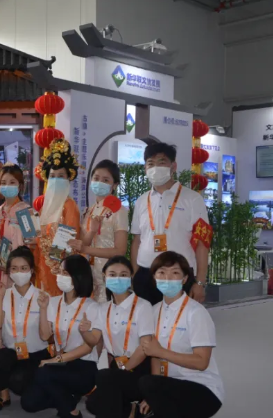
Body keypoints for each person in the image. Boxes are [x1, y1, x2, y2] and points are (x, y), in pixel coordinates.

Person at [137, 251, 223, 418]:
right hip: (169, 384)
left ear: (184, 279)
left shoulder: (196, 313)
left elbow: (201, 362)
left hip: (201, 387)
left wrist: (161, 352)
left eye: (175, 273)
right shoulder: (153, 312)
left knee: (146, 382)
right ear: (154, 277)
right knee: (145, 388)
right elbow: (155, 357)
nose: (167, 278)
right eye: (162, 272)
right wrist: (152, 395)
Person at [130, 143, 211, 305]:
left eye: (161, 162)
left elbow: (202, 243)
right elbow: (137, 240)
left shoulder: (193, 199)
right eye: (150, 163)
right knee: (146, 320)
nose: (155, 168)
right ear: (145, 168)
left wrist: (200, 282)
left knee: (178, 320)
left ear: (173, 166)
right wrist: (135, 275)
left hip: (178, 275)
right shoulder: (141, 201)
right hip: (145, 274)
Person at [21, 255, 100, 418]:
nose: (60, 277)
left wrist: (55, 360)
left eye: (66, 273)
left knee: (44, 373)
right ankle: (67, 398)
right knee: (28, 403)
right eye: (60, 272)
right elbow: (45, 336)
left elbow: (88, 347)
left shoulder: (92, 307)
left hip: (83, 366)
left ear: (78, 277)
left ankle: (72, 412)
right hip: (61, 363)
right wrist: (43, 309)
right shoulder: (53, 302)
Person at [83, 256, 154, 418]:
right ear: (104, 277)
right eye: (112, 274)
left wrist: (124, 370)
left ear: (131, 277)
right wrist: (84, 331)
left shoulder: (143, 306)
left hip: (139, 368)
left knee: (105, 379)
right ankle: (131, 410)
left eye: (123, 275)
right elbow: (94, 340)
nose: (118, 279)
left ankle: (131, 406)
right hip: (117, 366)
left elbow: (144, 348)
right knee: (93, 403)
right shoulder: (103, 309)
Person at [0, 247, 49, 412]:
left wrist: (43, 309)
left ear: (32, 271)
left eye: (23, 268)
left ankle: (41, 388)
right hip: (13, 353)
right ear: (8, 272)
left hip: (36, 355)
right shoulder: (4, 294)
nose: (19, 272)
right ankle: (3, 396)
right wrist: (0, 296)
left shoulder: (42, 296)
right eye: (14, 268)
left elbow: (45, 336)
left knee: (20, 384)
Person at [68, 160, 129, 303]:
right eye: (96, 178)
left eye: (105, 180)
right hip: (89, 276)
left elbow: (120, 250)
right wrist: (91, 232)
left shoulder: (119, 211)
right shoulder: (89, 211)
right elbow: (83, 243)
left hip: (108, 276)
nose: (99, 182)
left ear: (114, 185)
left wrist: (85, 249)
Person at [35, 139, 82, 296]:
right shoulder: (44, 207)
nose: (56, 180)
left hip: (60, 267)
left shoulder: (69, 206)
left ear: (68, 178)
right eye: (52, 176)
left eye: (61, 176)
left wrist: (54, 262)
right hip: (42, 265)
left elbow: (68, 239)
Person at [0, 164, 36, 284]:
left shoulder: (26, 211)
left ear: (20, 185)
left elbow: (32, 244)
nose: (7, 186)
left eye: (12, 182)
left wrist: (14, 263)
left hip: (18, 272)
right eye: (3, 183)